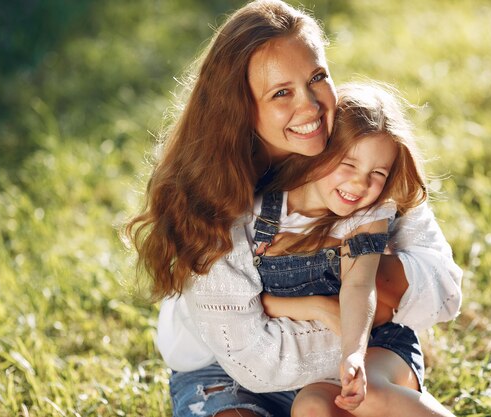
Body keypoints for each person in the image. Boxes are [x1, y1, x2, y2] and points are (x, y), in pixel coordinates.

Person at [124, 1, 462, 416]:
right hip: (224, 368)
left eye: (317, 77)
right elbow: (255, 361)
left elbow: (444, 291)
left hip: (357, 360)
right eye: (281, 92)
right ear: (240, 106)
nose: (311, 107)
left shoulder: (358, 151)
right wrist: (331, 309)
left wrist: (358, 283)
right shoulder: (211, 200)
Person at [253, 82, 455, 417]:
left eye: (377, 173)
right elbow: (248, 303)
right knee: (312, 407)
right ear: (320, 151)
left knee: (369, 394)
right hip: (311, 367)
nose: (360, 184)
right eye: (348, 165)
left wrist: (354, 354)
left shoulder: (367, 215)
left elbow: (359, 285)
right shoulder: (263, 213)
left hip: (376, 345)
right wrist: (317, 306)